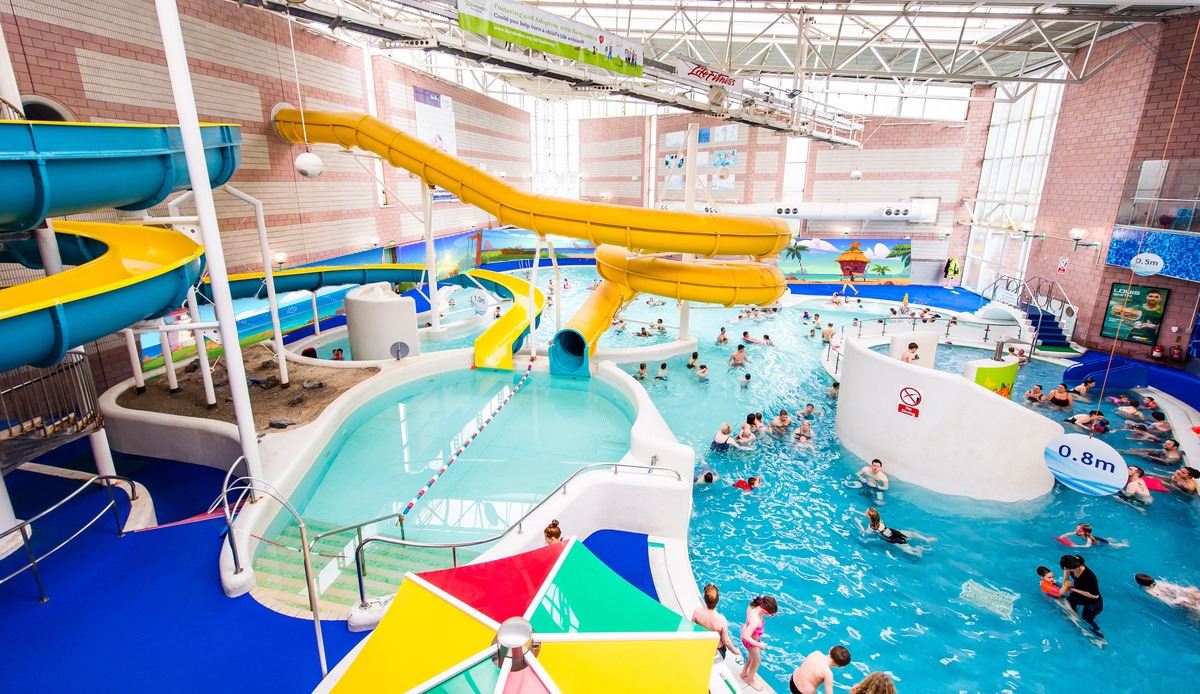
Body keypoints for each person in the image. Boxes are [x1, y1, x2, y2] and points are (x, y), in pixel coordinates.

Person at [739, 596, 778, 691]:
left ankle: (744, 673)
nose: (771, 616)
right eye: (771, 615)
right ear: (765, 611)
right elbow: (746, 636)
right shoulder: (755, 620)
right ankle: (750, 680)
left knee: (750, 657)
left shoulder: (752, 606)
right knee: (756, 661)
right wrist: (759, 645)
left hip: (749, 635)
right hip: (751, 642)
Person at [691, 584, 740, 661]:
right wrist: (734, 650)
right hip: (715, 650)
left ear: (704, 598)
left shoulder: (697, 612)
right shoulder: (721, 620)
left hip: (701, 644)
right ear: (718, 600)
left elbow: (692, 628)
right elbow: (726, 641)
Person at [1059, 554, 1103, 636]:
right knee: (1069, 602)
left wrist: (1073, 589)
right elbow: (1065, 579)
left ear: (1074, 568)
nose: (1066, 570)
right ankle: (1074, 620)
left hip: (1093, 600)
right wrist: (1065, 585)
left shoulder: (1090, 576)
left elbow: (1095, 596)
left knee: (1086, 618)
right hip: (1080, 593)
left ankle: (1097, 634)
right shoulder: (1071, 564)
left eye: (1067, 569)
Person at [863, 508, 936, 556]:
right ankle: (926, 539)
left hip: (891, 538)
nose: (864, 513)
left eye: (866, 512)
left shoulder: (871, 527)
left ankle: (918, 549)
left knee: (909, 552)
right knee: (912, 534)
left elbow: (866, 534)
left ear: (869, 517)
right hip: (893, 531)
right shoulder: (880, 520)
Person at [1135, 574, 1200, 614]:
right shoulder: (1156, 582)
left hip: (1178, 599)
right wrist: (1185, 590)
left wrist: (1174, 602)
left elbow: (1163, 599)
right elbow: (1173, 587)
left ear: (1140, 583)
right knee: (1193, 595)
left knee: (1189, 606)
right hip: (1177, 591)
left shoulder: (1149, 591)